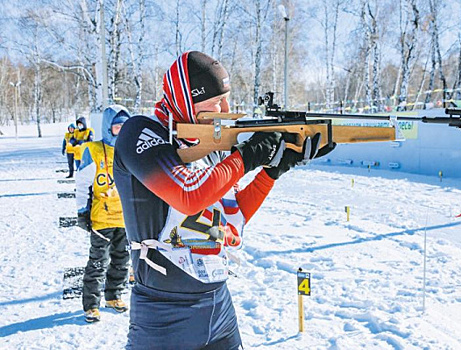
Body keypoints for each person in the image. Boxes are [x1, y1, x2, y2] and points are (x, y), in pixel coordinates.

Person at [114, 51, 335, 349]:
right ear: (185, 101)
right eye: (215, 102)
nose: (226, 108)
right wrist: (248, 156)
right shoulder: (140, 132)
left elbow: (229, 218)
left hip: (219, 306)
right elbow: (189, 195)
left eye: (227, 98)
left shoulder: (211, 145)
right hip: (163, 315)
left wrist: (273, 171)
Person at [76, 105, 131, 323]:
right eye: (117, 127)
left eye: (125, 128)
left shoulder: (130, 151)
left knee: (121, 261)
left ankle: (113, 296)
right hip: (102, 220)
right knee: (98, 263)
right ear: (108, 128)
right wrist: (82, 211)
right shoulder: (94, 150)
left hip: (125, 219)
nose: (121, 132)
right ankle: (91, 304)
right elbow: (82, 184)